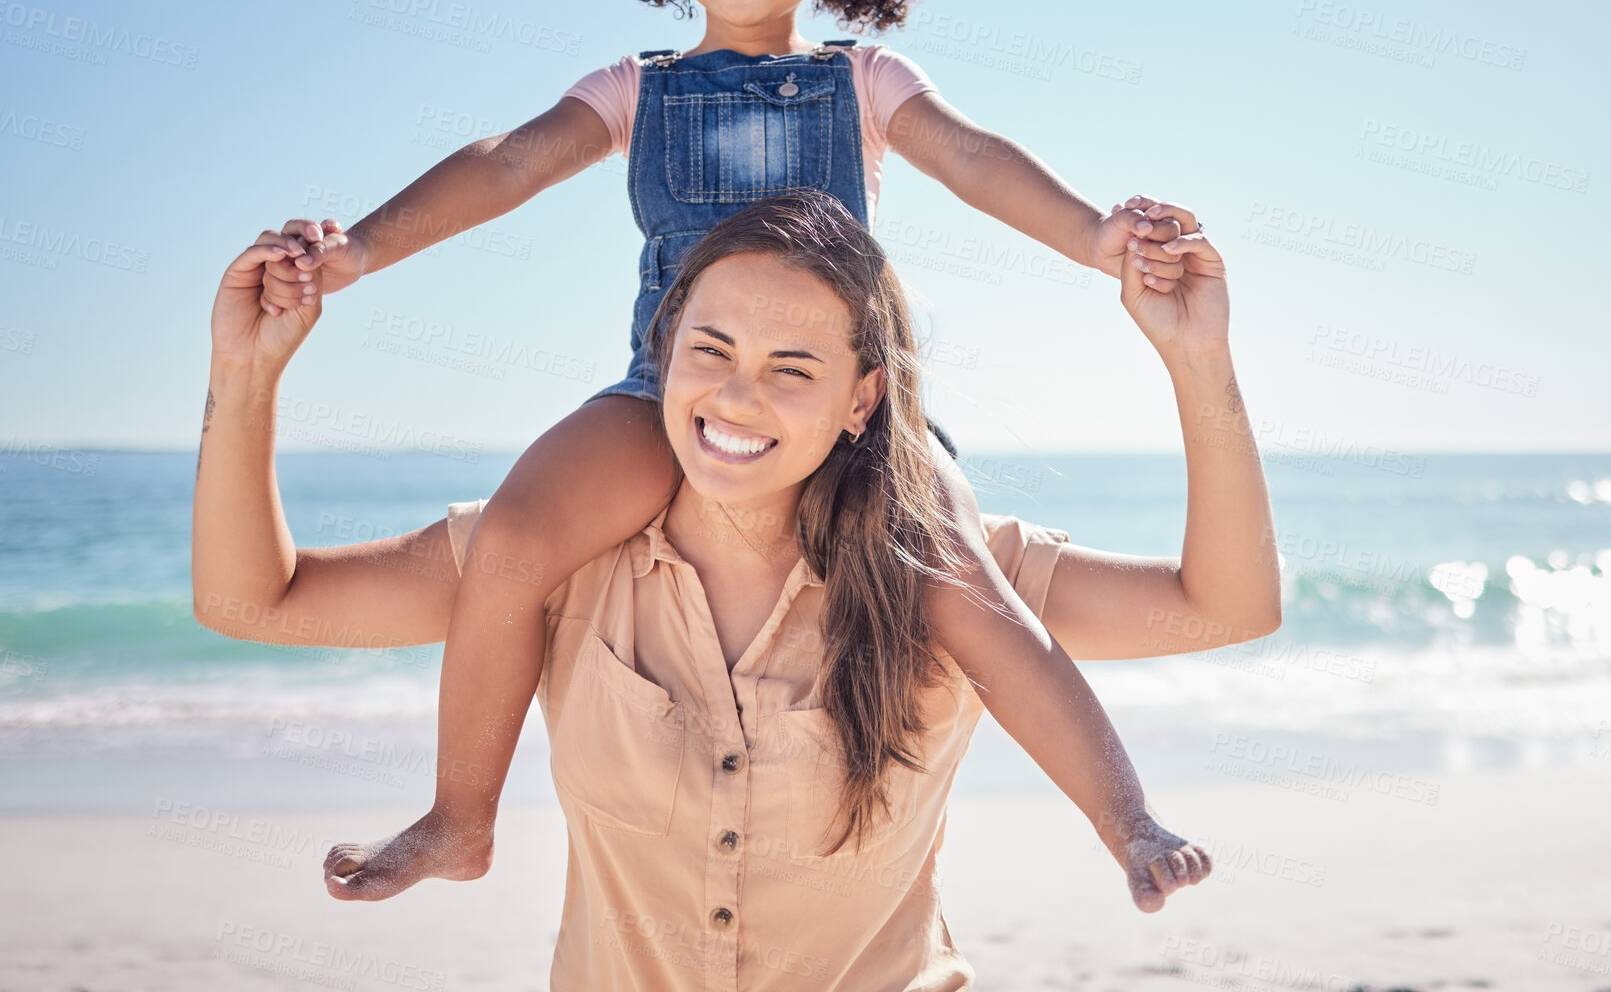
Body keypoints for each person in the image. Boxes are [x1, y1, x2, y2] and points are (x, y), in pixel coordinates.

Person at [246, 0, 1224, 903]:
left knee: (965, 582)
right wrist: (362, 249)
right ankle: (459, 818)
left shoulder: (862, 83)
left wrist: (1098, 239)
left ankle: (1128, 823)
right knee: (516, 535)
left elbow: (976, 159)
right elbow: (504, 165)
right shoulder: (634, 89)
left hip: (843, 400)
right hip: (666, 386)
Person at [195, 191, 1275, 987]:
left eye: (792, 369)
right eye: (711, 348)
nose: (736, 395)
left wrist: (1196, 361)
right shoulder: (553, 560)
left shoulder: (948, 576)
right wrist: (247, 376)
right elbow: (253, 605)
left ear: (861, 400)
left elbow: (1222, 606)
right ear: (663, 351)